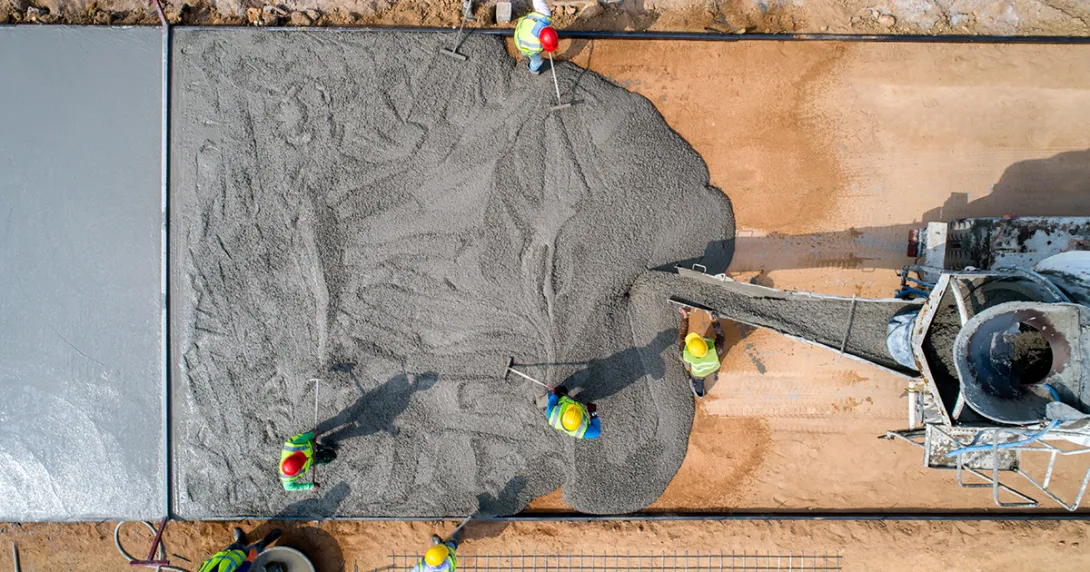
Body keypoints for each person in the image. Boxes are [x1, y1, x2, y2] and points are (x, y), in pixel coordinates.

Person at [678, 306, 725, 399]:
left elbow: (682, 336)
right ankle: (699, 389)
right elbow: (721, 335)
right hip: (712, 366)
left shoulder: (686, 354)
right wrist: (714, 321)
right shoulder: (716, 350)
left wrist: (685, 317)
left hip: (699, 373)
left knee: (681, 356)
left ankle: (699, 392)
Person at [198, 527, 281, 572]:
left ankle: (241, 540)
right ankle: (272, 537)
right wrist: (250, 559)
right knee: (258, 547)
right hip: (242, 557)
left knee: (237, 544)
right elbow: (242, 570)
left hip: (226, 554)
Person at [514, 0, 559, 75]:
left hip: (519, 39)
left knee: (525, 50)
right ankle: (533, 70)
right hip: (526, 46)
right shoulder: (537, 47)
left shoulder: (544, 16)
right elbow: (534, 51)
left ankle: (523, 54)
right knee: (537, 61)